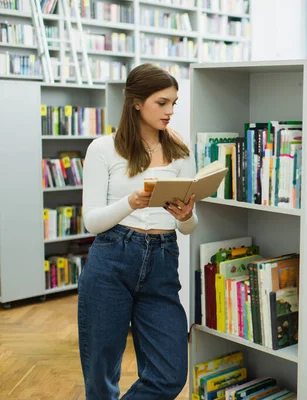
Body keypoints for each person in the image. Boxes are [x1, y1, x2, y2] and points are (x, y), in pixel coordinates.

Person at [78, 63, 197, 399]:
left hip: (162, 260)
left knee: (170, 374)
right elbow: (92, 222)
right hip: (112, 259)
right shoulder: (103, 149)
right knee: (101, 375)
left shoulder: (180, 151)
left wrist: (186, 215)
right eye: (162, 103)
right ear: (136, 102)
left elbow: (189, 227)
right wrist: (132, 201)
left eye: (174, 102)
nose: (170, 111)